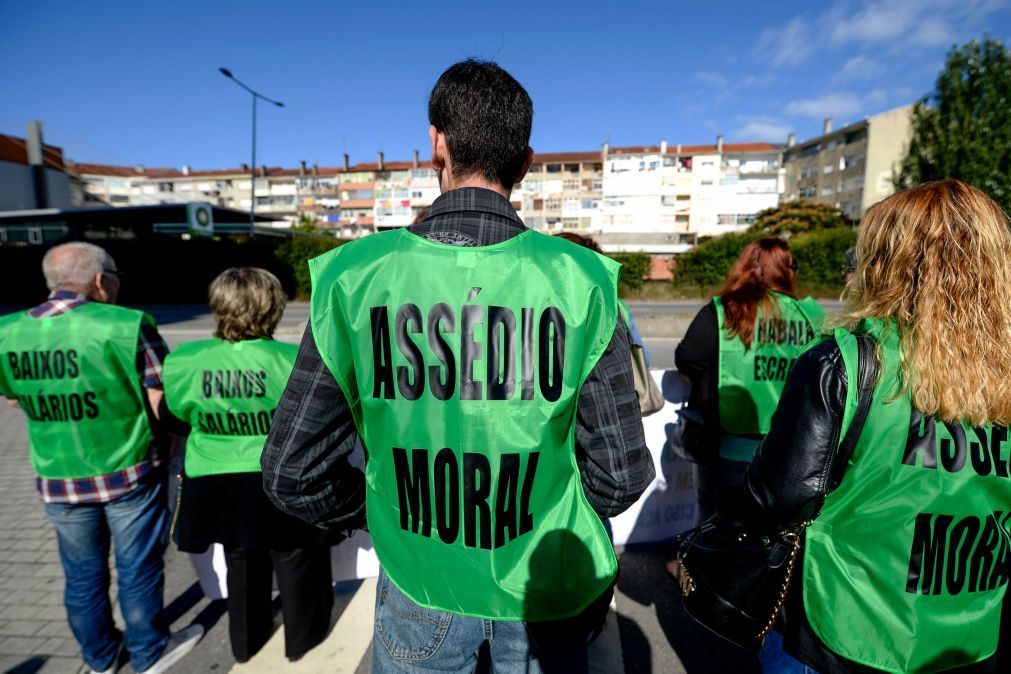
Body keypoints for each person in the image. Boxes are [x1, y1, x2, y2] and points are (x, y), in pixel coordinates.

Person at [261, 59, 654, 673]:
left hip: (418, 581)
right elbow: (621, 478)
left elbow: (290, 470)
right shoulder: (581, 282)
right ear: (525, 163)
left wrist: (383, 515)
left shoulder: (353, 278)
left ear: (435, 144)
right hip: (542, 589)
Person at [741, 179, 1011, 673]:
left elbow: (777, 494)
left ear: (887, 261)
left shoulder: (845, 360)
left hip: (844, 628)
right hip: (970, 631)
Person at [0, 242, 203, 674]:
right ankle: (149, 652)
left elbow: (14, 399)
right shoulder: (128, 324)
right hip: (129, 469)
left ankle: (99, 658)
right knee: (138, 568)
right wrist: (177, 445)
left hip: (57, 476)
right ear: (99, 280)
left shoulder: (7, 331)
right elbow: (160, 401)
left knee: (81, 575)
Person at [160, 268, 334, 663]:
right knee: (295, 556)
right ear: (272, 307)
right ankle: (303, 639)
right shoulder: (294, 359)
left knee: (240, 559)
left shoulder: (185, 360)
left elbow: (173, 419)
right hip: (283, 476)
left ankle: (245, 642)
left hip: (216, 478)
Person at [673, 238, 823, 524]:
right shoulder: (810, 315)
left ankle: (699, 568)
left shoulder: (725, 309)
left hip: (727, 442)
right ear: (786, 269)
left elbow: (689, 356)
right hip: (790, 446)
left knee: (716, 523)